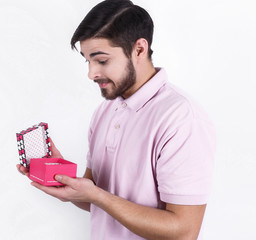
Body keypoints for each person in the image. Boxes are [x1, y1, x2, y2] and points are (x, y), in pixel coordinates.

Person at [17, 0, 215, 239]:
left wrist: (98, 196)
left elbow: (184, 231)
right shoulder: (105, 111)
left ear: (139, 49)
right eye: (87, 60)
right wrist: (66, 182)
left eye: (101, 60)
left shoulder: (180, 117)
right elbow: (96, 202)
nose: (91, 73)